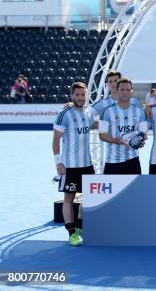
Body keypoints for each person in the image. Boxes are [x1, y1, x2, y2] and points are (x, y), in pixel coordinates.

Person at [52, 82, 98, 246]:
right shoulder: (65, 114)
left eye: (83, 94)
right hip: (70, 165)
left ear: (86, 95)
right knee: (68, 199)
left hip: (87, 165)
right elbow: (56, 140)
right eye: (77, 95)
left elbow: (97, 124)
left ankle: (79, 227)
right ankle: (71, 233)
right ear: (72, 96)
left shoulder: (89, 112)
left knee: (88, 197)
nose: (80, 97)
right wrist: (59, 163)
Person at [97, 78, 148, 174]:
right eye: (122, 89)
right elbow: (102, 135)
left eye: (128, 90)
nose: (125, 92)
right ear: (117, 90)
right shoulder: (107, 111)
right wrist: (118, 141)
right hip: (112, 161)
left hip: (133, 160)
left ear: (131, 91)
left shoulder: (139, 111)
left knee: (135, 189)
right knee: (113, 189)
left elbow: (143, 133)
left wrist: (140, 141)